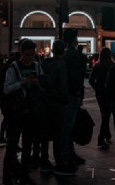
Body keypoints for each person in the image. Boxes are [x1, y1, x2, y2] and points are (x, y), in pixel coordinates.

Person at [2, 38, 44, 185]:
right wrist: (22, 83)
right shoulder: (13, 68)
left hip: (31, 110)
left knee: (27, 144)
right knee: (12, 144)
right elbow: (7, 88)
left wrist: (38, 83)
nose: (30, 58)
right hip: (17, 110)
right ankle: (7, 175)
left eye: (32, 55)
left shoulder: (36, 66)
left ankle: (24, 174)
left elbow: (44, 85)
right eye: (28, 55)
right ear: (22, 52)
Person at [59, 29, 87, 172]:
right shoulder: (73, 54)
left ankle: (68, 153)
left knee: (67, 126)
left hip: (65, 93)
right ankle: (67, 155)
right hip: (71, 94)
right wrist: (78, 93)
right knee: (69, 126)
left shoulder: (65, 53)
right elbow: (76, 76)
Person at [41, 40, 69, 173]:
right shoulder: (61, 65)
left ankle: (44, 160)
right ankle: (58, 161)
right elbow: (63, 85)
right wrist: (65, 100)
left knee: (45, 133)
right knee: (58, 133)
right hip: (57, 102)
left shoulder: (46, 63)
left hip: (46, 101)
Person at [89, 46, 114, 149]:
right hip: (109, 93)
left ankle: (107, 134)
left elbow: (91, 80)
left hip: (100, 93)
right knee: (106, 115)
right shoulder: (112, 66)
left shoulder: (97, 66)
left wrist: (97, 88)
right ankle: (101, 138)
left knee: (104, 113)